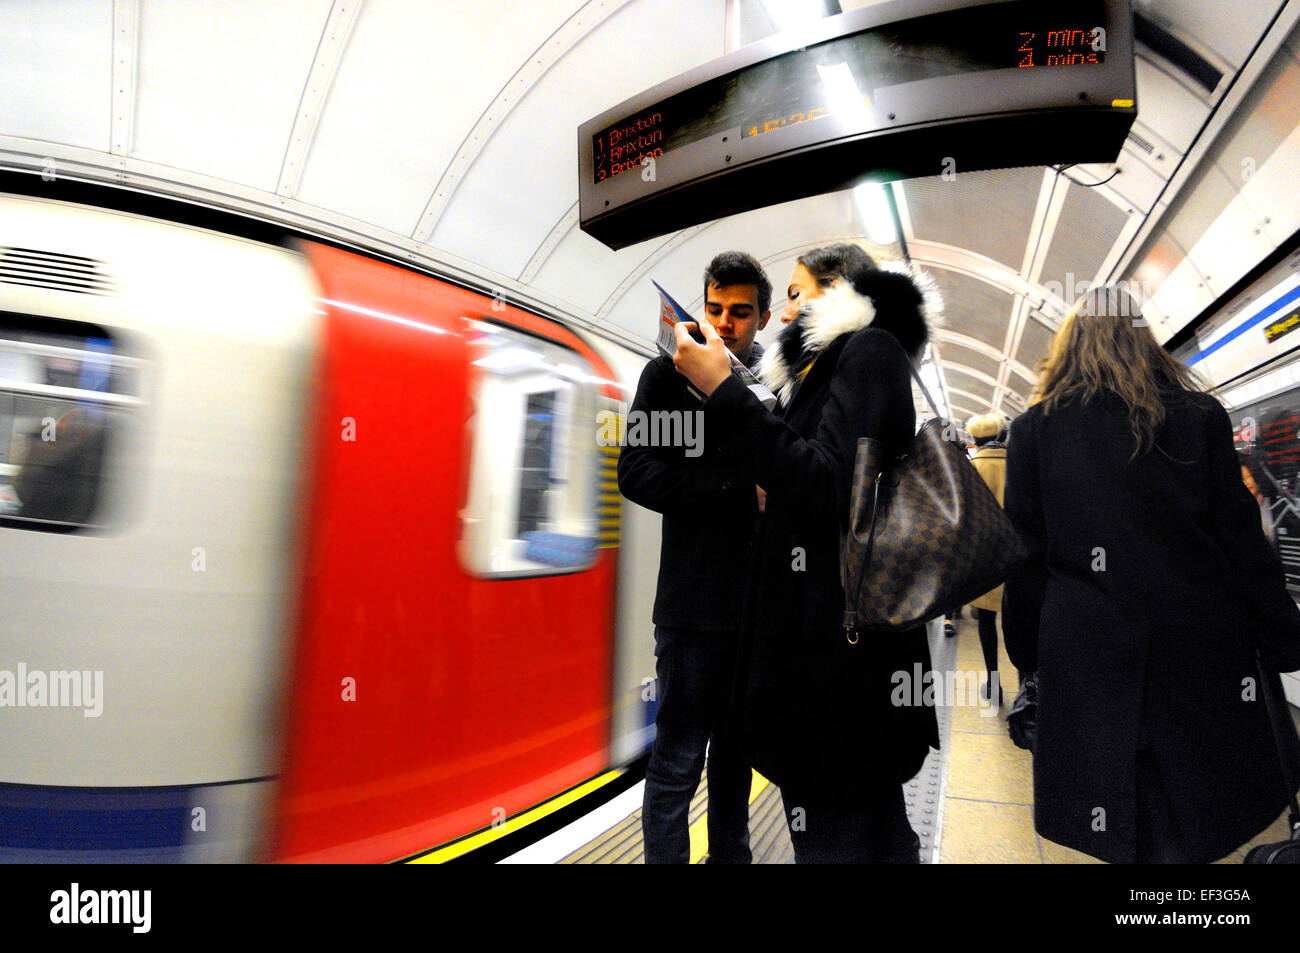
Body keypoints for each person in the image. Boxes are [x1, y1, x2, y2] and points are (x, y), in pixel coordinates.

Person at [1001, 285, 1300, 864]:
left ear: (1071, 349)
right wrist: (1284, 636)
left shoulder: (1036, 429)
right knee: (1191, 803)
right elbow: (1241, 541)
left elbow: (1027, 555)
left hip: (1086, 648)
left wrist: (1028, 656)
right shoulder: (1200, 417)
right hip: (1196, 644)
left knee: (1113, 803)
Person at [672, 242, 940, 863]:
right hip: (836, 658)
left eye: (796, 293)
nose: (786, 311)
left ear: (839, 288)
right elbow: (823, 478)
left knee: (834, 835)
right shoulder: (827, 367)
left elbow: (827, 482)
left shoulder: (868, 351)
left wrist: (721, 389)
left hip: (841, 668)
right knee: (873, 832)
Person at [617, 250, 771, 864]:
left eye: (740, 312)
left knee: (736, 755)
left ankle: (731, 858)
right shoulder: (666, 377)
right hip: (691, 610)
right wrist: (736, 490)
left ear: (762, 319)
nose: (725, 322)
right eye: (714, 309)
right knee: (678, 757)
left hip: (757, 607)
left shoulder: (770, 385)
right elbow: (636, 472)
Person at [965, 412, 1010, 704]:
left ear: (974, 440)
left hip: (984, 557)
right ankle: (1028, 682)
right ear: (1003, 436)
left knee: (986, 620)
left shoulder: (970, 468)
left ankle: (993, 682)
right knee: (1018, 622)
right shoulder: (1020, 464)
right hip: (1018, 554)